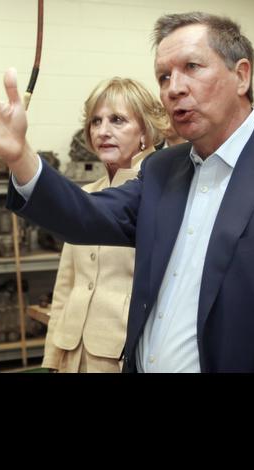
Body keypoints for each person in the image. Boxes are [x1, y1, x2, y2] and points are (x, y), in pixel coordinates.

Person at [0, 12, 254, 372]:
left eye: (192, 67)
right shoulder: (163, 170)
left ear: (241, 75)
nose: (174, 88)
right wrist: (21, 158)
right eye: (164, 76)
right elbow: (85, 215)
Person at [43, 78, 170, 373]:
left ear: (145, 131)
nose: (103, 131)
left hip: (123, 353)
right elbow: (66, 283)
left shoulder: (160, 194)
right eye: (95, 121)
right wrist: (52, 356)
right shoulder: (85, 195)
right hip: (71, 351)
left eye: (117, 120)